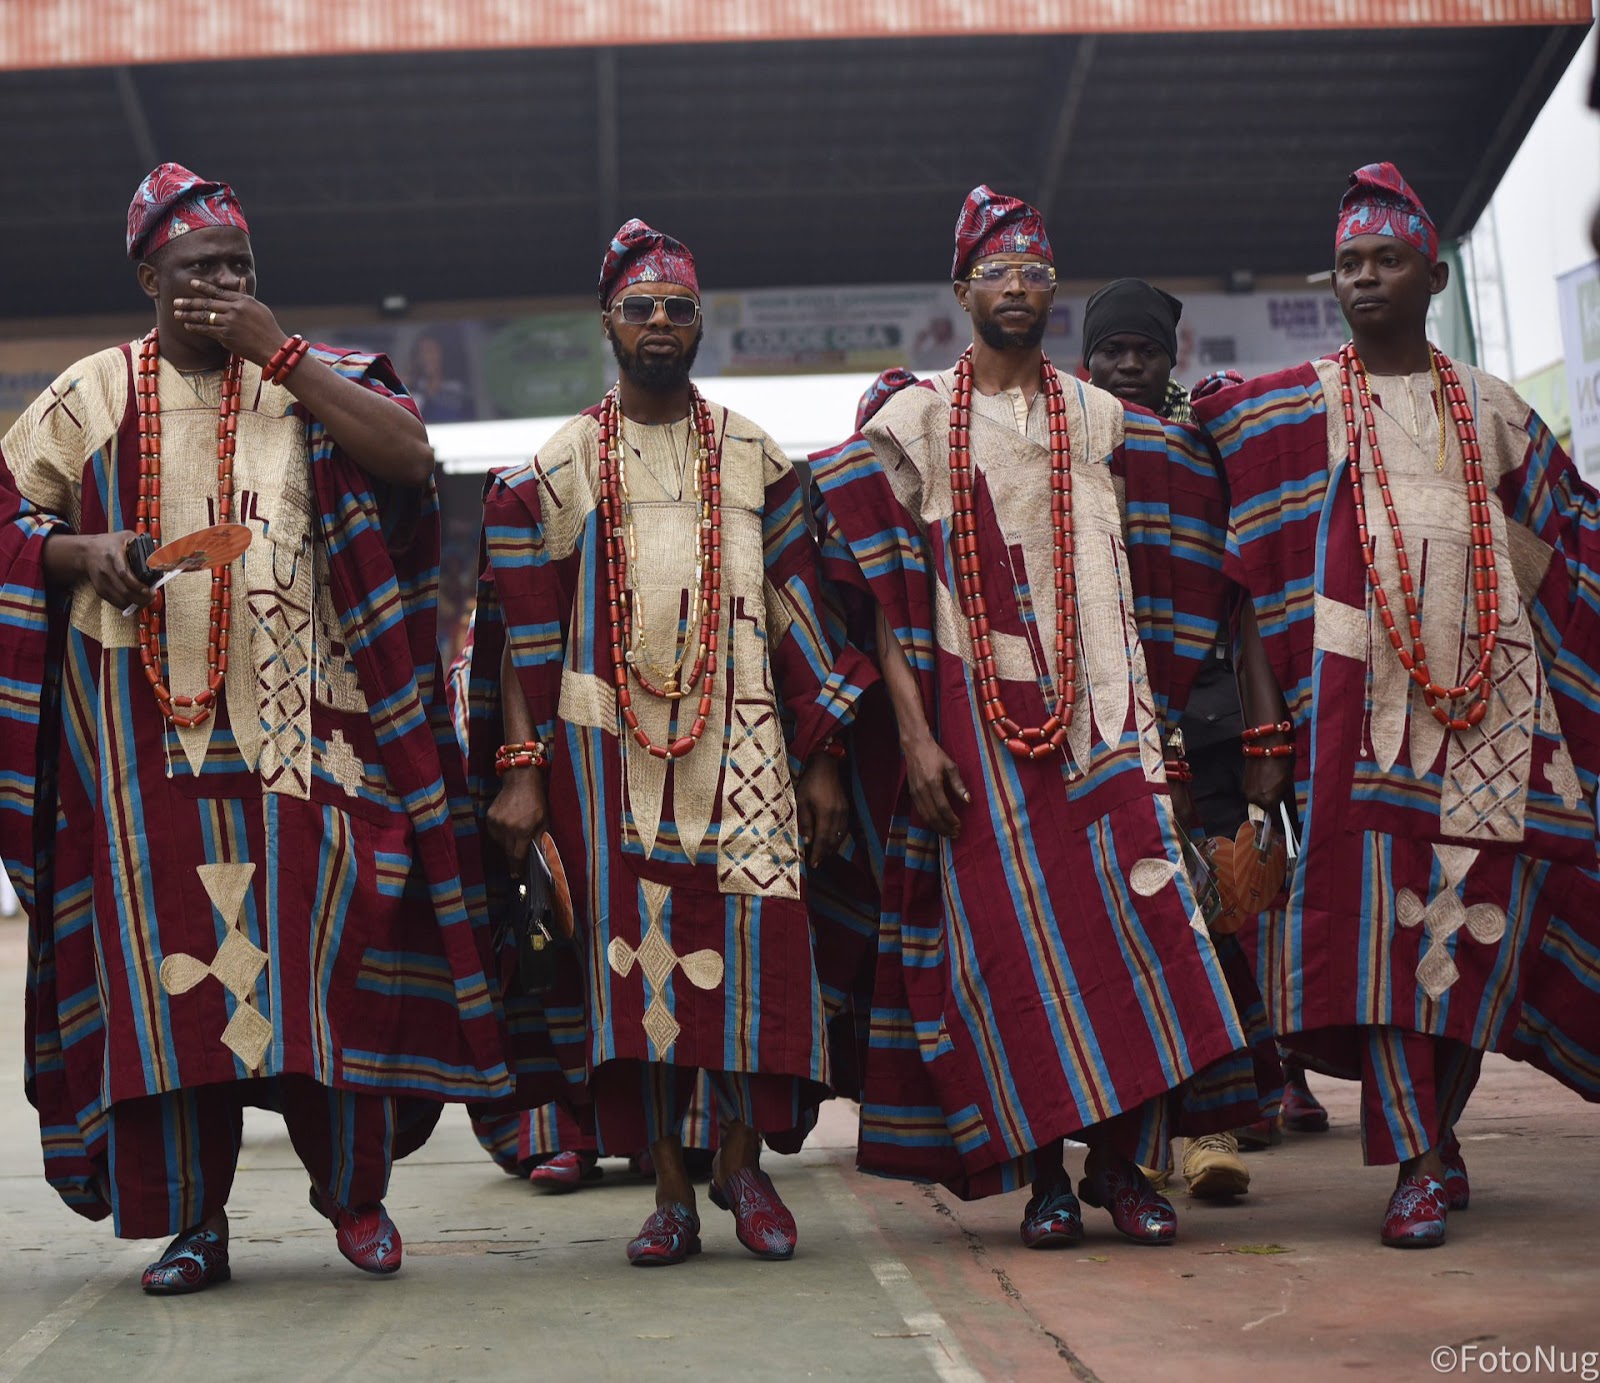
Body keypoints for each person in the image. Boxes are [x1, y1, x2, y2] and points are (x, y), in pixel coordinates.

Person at [0, 164, 515, 1295]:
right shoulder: (88, 394)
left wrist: (279, 351)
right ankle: (196, 1226)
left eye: (238, 266)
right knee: (168, 988)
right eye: (198, 270)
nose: (222, 284)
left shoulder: (311, 380)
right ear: (149, 278)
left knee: (332, 965)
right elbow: (6, 511)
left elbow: (410, 460)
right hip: (142, 752)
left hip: (309, 745)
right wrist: (75, 553)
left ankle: (358, 1203)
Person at [810, 187, 1267, 1251]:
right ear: (962, 289)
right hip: (974, 728)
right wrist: (916, 739)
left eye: (1033, 272)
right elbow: (882, 596)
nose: (1016, 288)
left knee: (1138, 937)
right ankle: (1042, 1183)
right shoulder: (914, 418)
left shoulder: (1103, 416)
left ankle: (1122, 1170)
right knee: (1003, 957)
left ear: (1049, 289)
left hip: (1107, 722)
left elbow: (1177, 556)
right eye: (996, 273)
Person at [1193, 162, 1600, 1247]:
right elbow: (1244, 572)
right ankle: (1416, 1158)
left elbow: (1572, 554)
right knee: (1380, 944)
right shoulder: (1291, 407)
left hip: (1499, 723)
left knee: (1476, 944)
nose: (1363, 279)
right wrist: (1267, 731)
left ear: (1433, 272)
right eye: (1348, 264)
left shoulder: (1496, 411)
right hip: (1353, 727)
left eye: (1386, 261)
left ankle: (1441, 1130)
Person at [465, 219, 874, 1266]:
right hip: (608, 763)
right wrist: (521, 774)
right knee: (637, 975)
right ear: (607, 320)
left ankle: (744, 1169)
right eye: (641, 308)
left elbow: (803, 613)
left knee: (752, 962)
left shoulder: (754, 456)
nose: (659, 324)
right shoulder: (556, 470)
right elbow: (520, 637)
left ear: (700, 322)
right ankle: (671, 1193)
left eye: (678, 309)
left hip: (744, 752)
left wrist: (823, 758)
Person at [1083, 280, 1331, 1195]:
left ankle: (1219, 1121)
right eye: (1114, 352)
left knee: (1222, 910)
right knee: (1134, 922)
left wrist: (1269, 732)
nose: (1130, 365)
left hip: (1216, 716)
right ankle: (1149, 1125)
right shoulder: (1070, 440)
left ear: (1171, 357)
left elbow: (1252, 589)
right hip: (1104, 725)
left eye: (1145, 351)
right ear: (1088, 359)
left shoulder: (1208, 441)